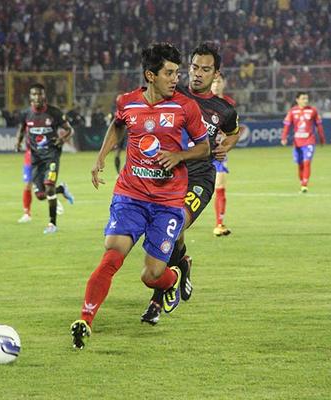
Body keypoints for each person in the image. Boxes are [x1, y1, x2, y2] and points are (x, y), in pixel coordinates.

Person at [70, 42, 210, 349]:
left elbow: (204, 147)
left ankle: (172, 278)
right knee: (112, 254)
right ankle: (85, 319)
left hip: (168, 201)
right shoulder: (128, 102)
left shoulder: (185, 107)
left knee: (151, 276)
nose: (176, 79)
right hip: (131, 194)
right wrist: (100, 158)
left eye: (177, 72)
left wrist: (179, 155)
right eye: (169, 73)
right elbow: (117, 126)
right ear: (151, 75)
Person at [140, 42, 240, 326]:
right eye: (194, 67)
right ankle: (182, 263)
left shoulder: (223, 109)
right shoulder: (173, 92)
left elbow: (234, 132)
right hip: (168, 176)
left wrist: (226, 146)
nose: (197, 73)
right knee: (171, 233)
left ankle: (156, 302)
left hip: (199, 179)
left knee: (169, 230)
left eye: (205, 69)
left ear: (216, 74)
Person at [15, 83, 74, 233]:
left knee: (48, 187)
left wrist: (62, 140)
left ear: (44, 95)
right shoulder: (26, 114)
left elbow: (69, 130)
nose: (37, 97)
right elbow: (22, 129)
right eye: (34, 94)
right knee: (40, 195)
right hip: (35, 158)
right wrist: (18, 142)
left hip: (51, 155)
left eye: (39, 94)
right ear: (30, 97)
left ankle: (52, 224)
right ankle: (62, 189)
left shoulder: (54, 112)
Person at [280, 92, 326, 193]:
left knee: (307, 162)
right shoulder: (292, 111)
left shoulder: (313, 111)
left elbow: (319, 125)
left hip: (309, 141)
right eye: (303, 98)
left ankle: (304, 185)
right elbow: (287, 126)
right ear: (297, 100)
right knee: (300, 164)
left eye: (307, 98)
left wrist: (322, 138)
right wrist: (284, 137)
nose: (306, 100)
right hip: (297, 142)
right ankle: (302, 182)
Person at [210, 72, 236, 237]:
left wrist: (225, 142)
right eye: (214, 81)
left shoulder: (229, 103)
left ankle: (219, 224)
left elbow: (233, 128)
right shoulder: (201, 102)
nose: (216, 84)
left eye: (219, 81)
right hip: (201, 151)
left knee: (220, 186)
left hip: (219, 152)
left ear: (223, 83)